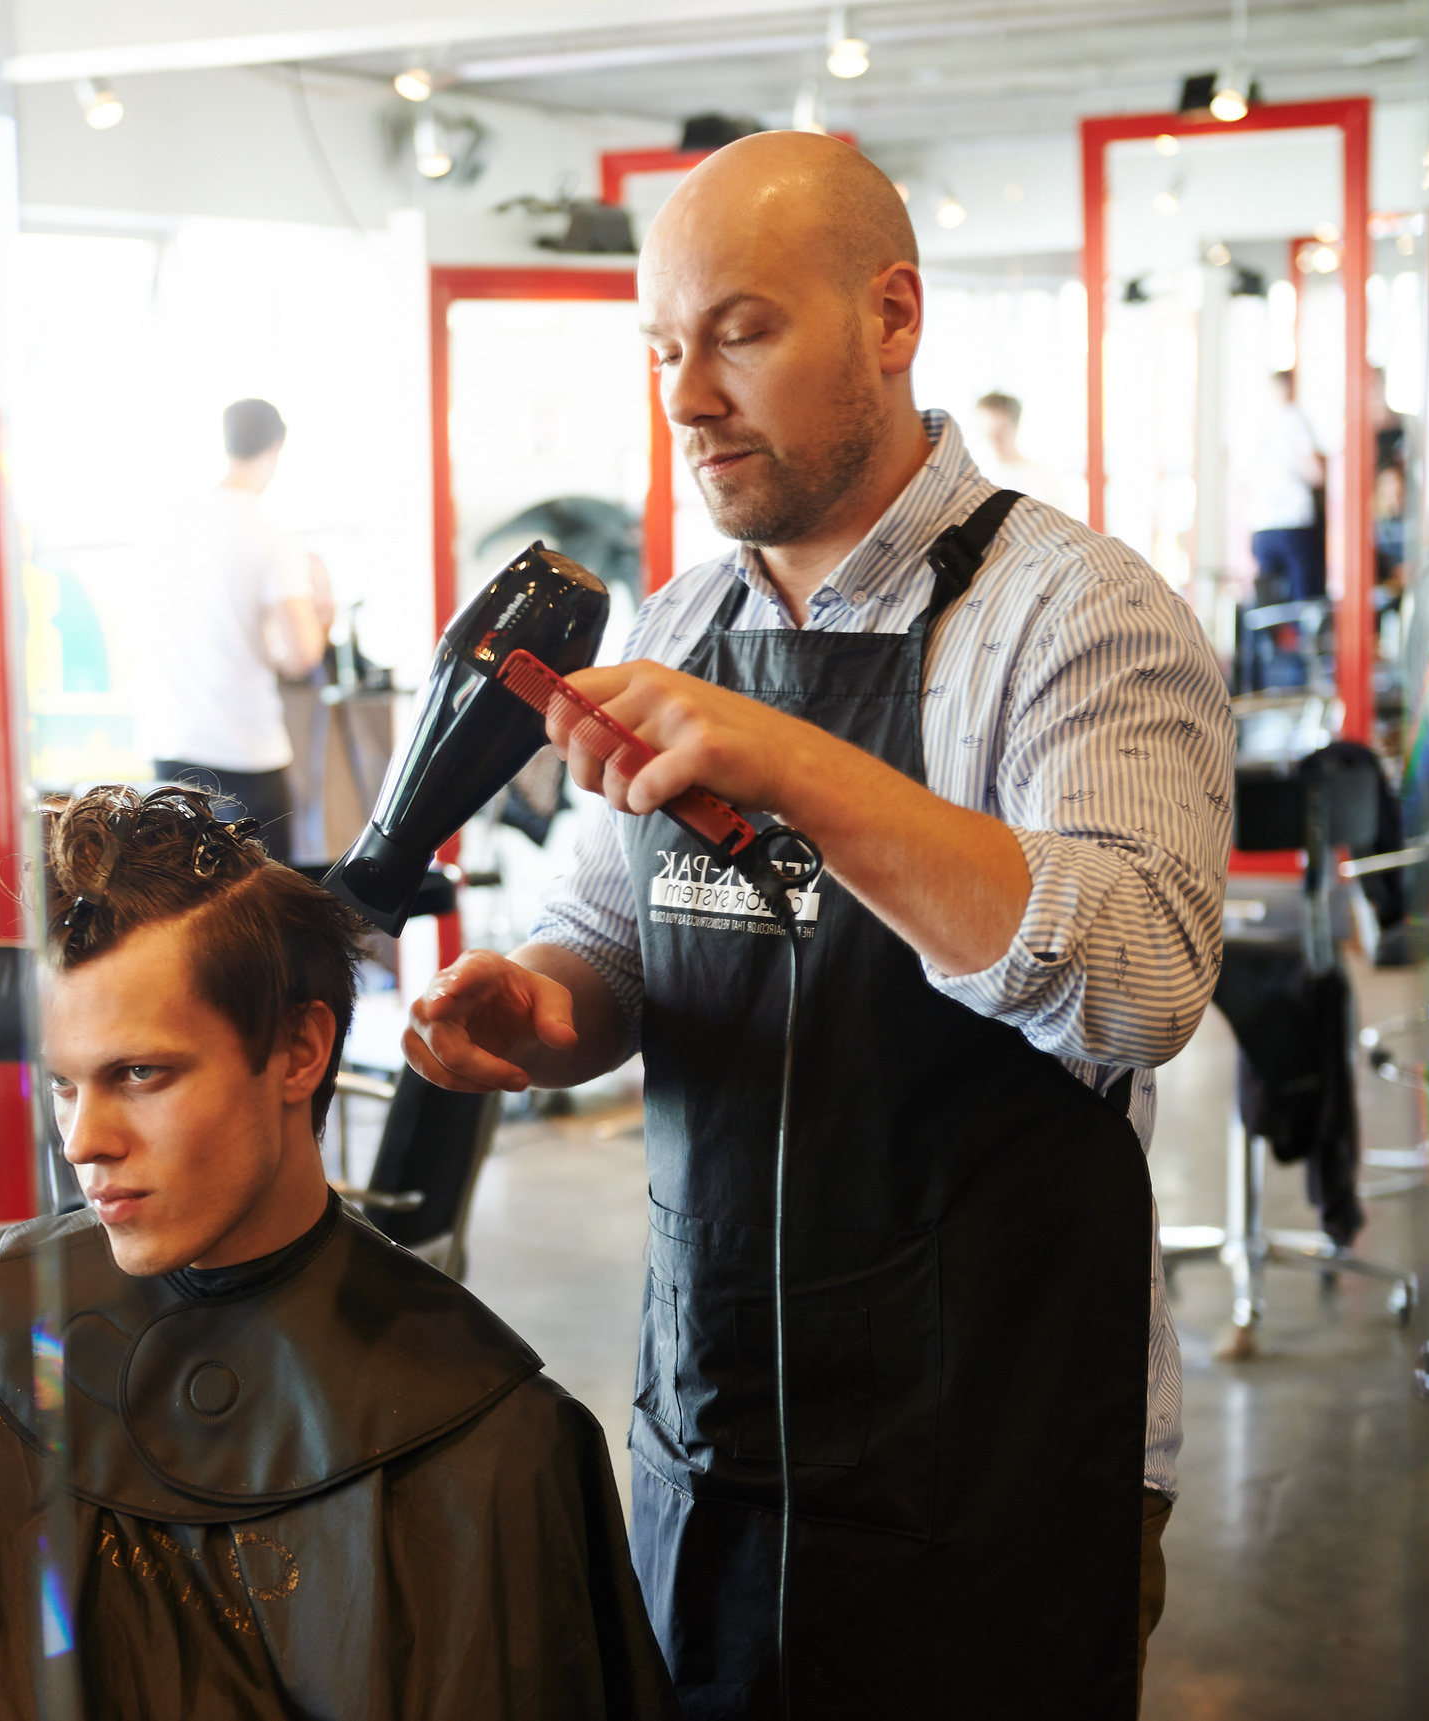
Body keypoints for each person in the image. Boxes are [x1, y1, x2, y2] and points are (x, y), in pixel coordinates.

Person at [407, 132, 1233, 1720]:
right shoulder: (681, 623)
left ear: (892, 316)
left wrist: (790, 759)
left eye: (741, 333)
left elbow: (1142, 978)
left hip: (994, 1462)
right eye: (664, 348)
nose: (689, 397)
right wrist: (536, 1008)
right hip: (715, 1431)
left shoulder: (1080, 615)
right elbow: (609, 942)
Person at [0, 785, 677, 1721]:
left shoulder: (491, 1440)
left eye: (141, 1074)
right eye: (64, 1084)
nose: (83, 1141)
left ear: (298, 1050)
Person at [137, 399, 335, 858]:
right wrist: (324, 611)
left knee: (182, 891)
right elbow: (302, 655)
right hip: (244, 753)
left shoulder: (169, 522)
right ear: (276, 446)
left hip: (170, 745)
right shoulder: (270, 535)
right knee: (259, 896)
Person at [1250, 369, 1327, 603]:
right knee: (1303, 601)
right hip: (1293, 522)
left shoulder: (1256, 422)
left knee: (1269, 605)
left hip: (1261, 526)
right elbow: (1315, 472)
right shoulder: (1293, 418)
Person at [975, 388, 1087, 518]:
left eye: (1001, 430)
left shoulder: (1044, 479)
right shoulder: (973, 480)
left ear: (1015, 426)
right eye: (988, 432)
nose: (994, 439)